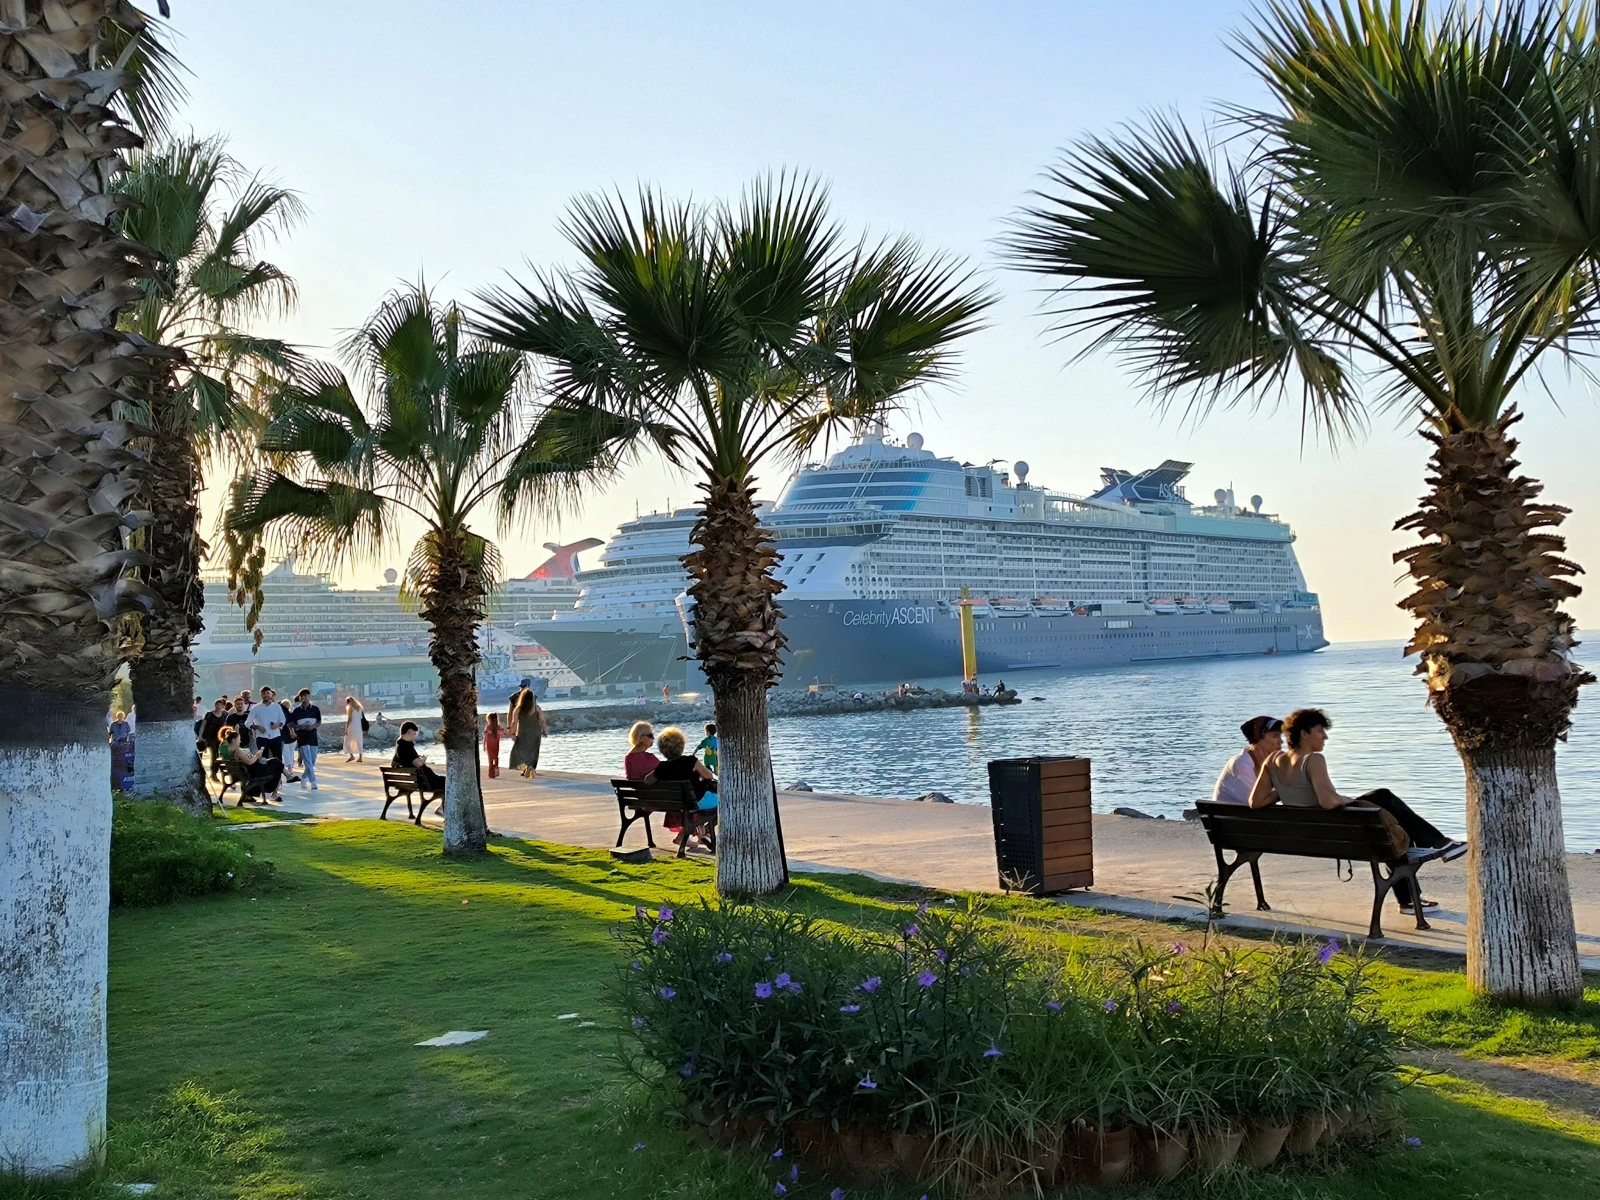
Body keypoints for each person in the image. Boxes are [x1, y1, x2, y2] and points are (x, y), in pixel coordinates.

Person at [1248, 708, 1466, 912]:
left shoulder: (1273, 760)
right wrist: (1345, 798)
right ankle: (1440, 844)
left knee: (1381, 823)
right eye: (1320, 731)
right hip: (1335, 832)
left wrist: (1285, 791)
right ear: (1304, 734)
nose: (1325, 737)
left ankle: (1410, 897)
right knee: (1382, 800)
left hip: (1314, 835)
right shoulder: (1313, 760)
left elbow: (1255, 802)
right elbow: (1328, 802)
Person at [644, 726, 718, 853]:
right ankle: (705, 832)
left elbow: (647, 780)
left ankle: (693, 835)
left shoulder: (662, 767)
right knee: (726, 802)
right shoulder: (690, 761)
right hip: (698, 800)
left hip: (678, 804)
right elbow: (709, 775)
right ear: (682, 745)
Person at [1211, 715, 1283, 805]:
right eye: (1275, 736)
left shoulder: (1272, 763)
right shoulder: (1241, 763)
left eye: (1280, 736)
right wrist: (1285, 791)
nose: (1281, 741)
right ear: (1258, 739)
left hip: (1244, 817)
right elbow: (1260, 801)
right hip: (1230, 817)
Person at [218, 726, 284, 803]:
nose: (240, 741)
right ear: (233, 740)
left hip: (244, 772)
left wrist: (248, 753)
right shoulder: (237, 751)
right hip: (252, 773)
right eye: (238, 739)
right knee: (276, 764)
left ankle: (287, 777)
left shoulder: (230, 750)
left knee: (275, 763)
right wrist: (257, 755)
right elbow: (249, 762)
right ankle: (275, 788)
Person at [391, 720, 443, 792]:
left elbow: (398, 762)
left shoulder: (399, 746)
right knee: (451, 783)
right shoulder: (406, 746)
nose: (415, 736)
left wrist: (418, 758)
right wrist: (423, 759)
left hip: (423, 780)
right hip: (427, 781)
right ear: (409, 732)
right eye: (414, 733)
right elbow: (418, 763)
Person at [507, 685, 546, 779]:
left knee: (522, 751)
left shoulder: (518, 709)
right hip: (535, 732)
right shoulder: (537, 708)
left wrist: (512, 732)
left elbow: (514, 722)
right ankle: (531, 767)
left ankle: (526, 767)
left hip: (523, 732)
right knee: (534, 750)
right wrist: (544, 730)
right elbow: (542, 720)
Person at [289, 688, 322, 790]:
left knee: (312, 760)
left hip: (313, 735)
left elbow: (319, 721)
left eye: (305, 695)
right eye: (301, 696)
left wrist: (313, 726)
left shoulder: (315, 709)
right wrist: (300, 727)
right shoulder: (297, 711)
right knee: (307, 760)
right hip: (302, 736)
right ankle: (313, 782)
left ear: (309, 696)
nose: (303, 698)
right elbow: (291, 723)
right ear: (299, 698)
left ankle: (304, 777)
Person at [198, 698, 231, 780]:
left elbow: (228, 726)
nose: (219, 706)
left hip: (222, 738)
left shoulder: (225, 714)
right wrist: (200, 736)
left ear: (223, 706)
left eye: (221, 705)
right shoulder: (209, 714)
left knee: (221, 755)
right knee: (214, 755)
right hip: (211, 738)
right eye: (217, 704)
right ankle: (213, 773)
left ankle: (221, 772)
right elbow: (203, 725)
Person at [343, 695, 366, 762]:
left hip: (352, 727)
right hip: (359, 727)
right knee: (359, 741)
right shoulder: (360, 708)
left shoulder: (350, 708)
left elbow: (349, 719)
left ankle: (351, 755)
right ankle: (360, 757)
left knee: (346, 741)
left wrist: (346, 728)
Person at [484, 712, 503, 779]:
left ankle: (491, 774)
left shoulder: (488, 727)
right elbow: (502, 733)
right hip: (496, 744)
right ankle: (496, 767)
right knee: (495, 757)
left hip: (489, 745)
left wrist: (484, 745)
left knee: (490, 759)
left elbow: (485, 737)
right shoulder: (498, 727)